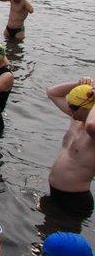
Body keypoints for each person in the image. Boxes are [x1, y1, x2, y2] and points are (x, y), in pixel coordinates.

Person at [44, 78, 95, 215]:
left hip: (75, 200)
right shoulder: (77, 118)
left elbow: (91, 125)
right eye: (70, 106)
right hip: (55, 193)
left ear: (88, 108)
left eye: (74, 108)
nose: (70, 112)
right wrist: (79, 84)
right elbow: (52, 93)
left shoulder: (92, 133)